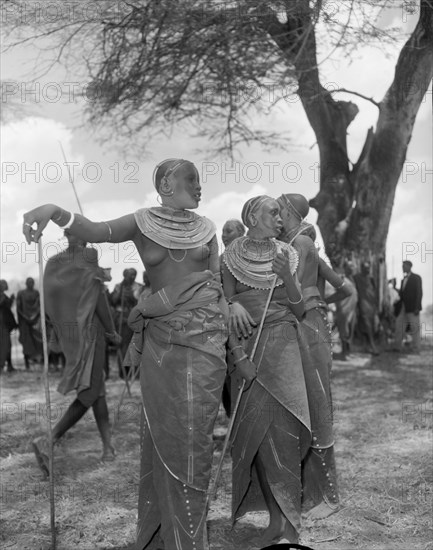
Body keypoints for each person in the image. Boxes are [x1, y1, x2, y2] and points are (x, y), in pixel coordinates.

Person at [23, 158, 229, 550]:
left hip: (206, 347)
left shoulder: (208, 230)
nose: (200, 187)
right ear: (167, 183)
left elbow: (217, 288)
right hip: (162, 347)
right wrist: (52, 210)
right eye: (192, 179)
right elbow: (95, 230)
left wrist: (235, 342)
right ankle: (161, 536)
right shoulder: (141, 222)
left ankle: (186, 540)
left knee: (194, 442)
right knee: (164, 437)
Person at [222, 195, 311, 546]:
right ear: (253, 218)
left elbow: (300, 308)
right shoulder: (229, 257)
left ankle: (291, 526)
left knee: (285, 436)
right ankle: (274, 520)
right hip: (245, 355)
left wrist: (287, 277)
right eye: (273, 212)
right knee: (255, 439)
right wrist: (232, 309)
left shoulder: (287, 253)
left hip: (283, 348)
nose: (280, 218)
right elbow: (223, 306)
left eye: (280, 212)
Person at [277, 193, 348, 520]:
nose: (276, 214)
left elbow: (296, 292)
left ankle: (329, 495)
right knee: (302, 403)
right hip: (301, 323)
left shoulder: (302, 244)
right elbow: (342, 286)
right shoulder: (293, 244)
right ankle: (308, 492)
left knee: (318, 404)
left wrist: (320, 301)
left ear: (290, 212)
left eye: (279, 208)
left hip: (308, 325)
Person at [31, 231, 121, 475]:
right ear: (85, 234)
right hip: (92, 331)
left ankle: (108, 447)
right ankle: (49, 440)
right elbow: (99, 298)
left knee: (97, 389)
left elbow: (48, 302)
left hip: (70, 333)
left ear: (65, 235)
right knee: (90, 391)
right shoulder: (89, 256)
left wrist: (58, 330)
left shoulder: (53, 263)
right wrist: (112, 331)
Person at [220, 218, 246, 417]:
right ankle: (233, 419)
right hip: (225, 323)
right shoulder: (220, 260)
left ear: (242, 233)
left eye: (228, 231)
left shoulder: (252, 258)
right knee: (228, 373)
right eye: (223, 231)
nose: (224, 235)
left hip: (250, 322)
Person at [110, 267, 143, 368]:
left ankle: (134, 368)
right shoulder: (118, 286)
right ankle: (123, 368)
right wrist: (121, 292)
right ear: (125, 276)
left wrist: (131, 295)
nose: (133, 277)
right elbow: (113, 301)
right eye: (130, 275)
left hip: (134, 316)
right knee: (123, 343)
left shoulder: (139, 287)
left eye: (134, 275)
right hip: (121, 317)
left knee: (135, 343)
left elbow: (139, 301)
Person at [393, 260, 423, 353]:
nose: (403, 268)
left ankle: (416, 348)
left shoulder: (416, 278)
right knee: (399, 326)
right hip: (403, 307)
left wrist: (417, 307)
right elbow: (402, 294)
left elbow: (419, 293)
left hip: (413, 308)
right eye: (402, 266)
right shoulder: (403, 280)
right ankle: (397, 346)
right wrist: (394, 287)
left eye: (404, 266)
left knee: (415, 328)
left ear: (409, 266)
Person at [354, 260, 380, 355]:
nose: (368, 269)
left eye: (368, 267)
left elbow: (375, 291)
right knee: (366, 324)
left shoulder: (371, 278)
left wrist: (376, 305)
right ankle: (373, 346)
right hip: (363, 303)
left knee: (370, 325)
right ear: (361, 268)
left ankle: (366, 346)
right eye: (365, 267)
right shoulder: (356, 277)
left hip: (371, 305)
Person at [16, 277, 43, 369]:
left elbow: (40, 306)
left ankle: (38, 360)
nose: (31, 284)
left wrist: (34, 316)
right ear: (26, 283)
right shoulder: (21, 293)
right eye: (29, 282)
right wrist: (26, 317)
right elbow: (18, 308)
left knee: (38, 340)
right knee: (26, 342)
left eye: (32, 282)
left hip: (35, 321)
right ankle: (26, 362)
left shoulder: (36, 293)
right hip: (24, 322)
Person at [334, 261, 358, 360]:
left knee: (350, 332)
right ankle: (344, 354)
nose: (352, 269)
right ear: (345, 268)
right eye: (350, 267)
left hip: (352, 310)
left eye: (353, 267)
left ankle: (348, 352)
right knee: (344, 332)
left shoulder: (353, 279)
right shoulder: (341, 278)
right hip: (344, 309)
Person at [0, 280, 18, 373]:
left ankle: (9, 365)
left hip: (5, 323)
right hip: (1, 323)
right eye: (3, 284)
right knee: (3, 345)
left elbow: (8, 306)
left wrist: (11, 299)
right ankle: (2, 365)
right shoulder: (2, 296)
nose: (4, 286)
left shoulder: (3, 295)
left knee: (8, 345)